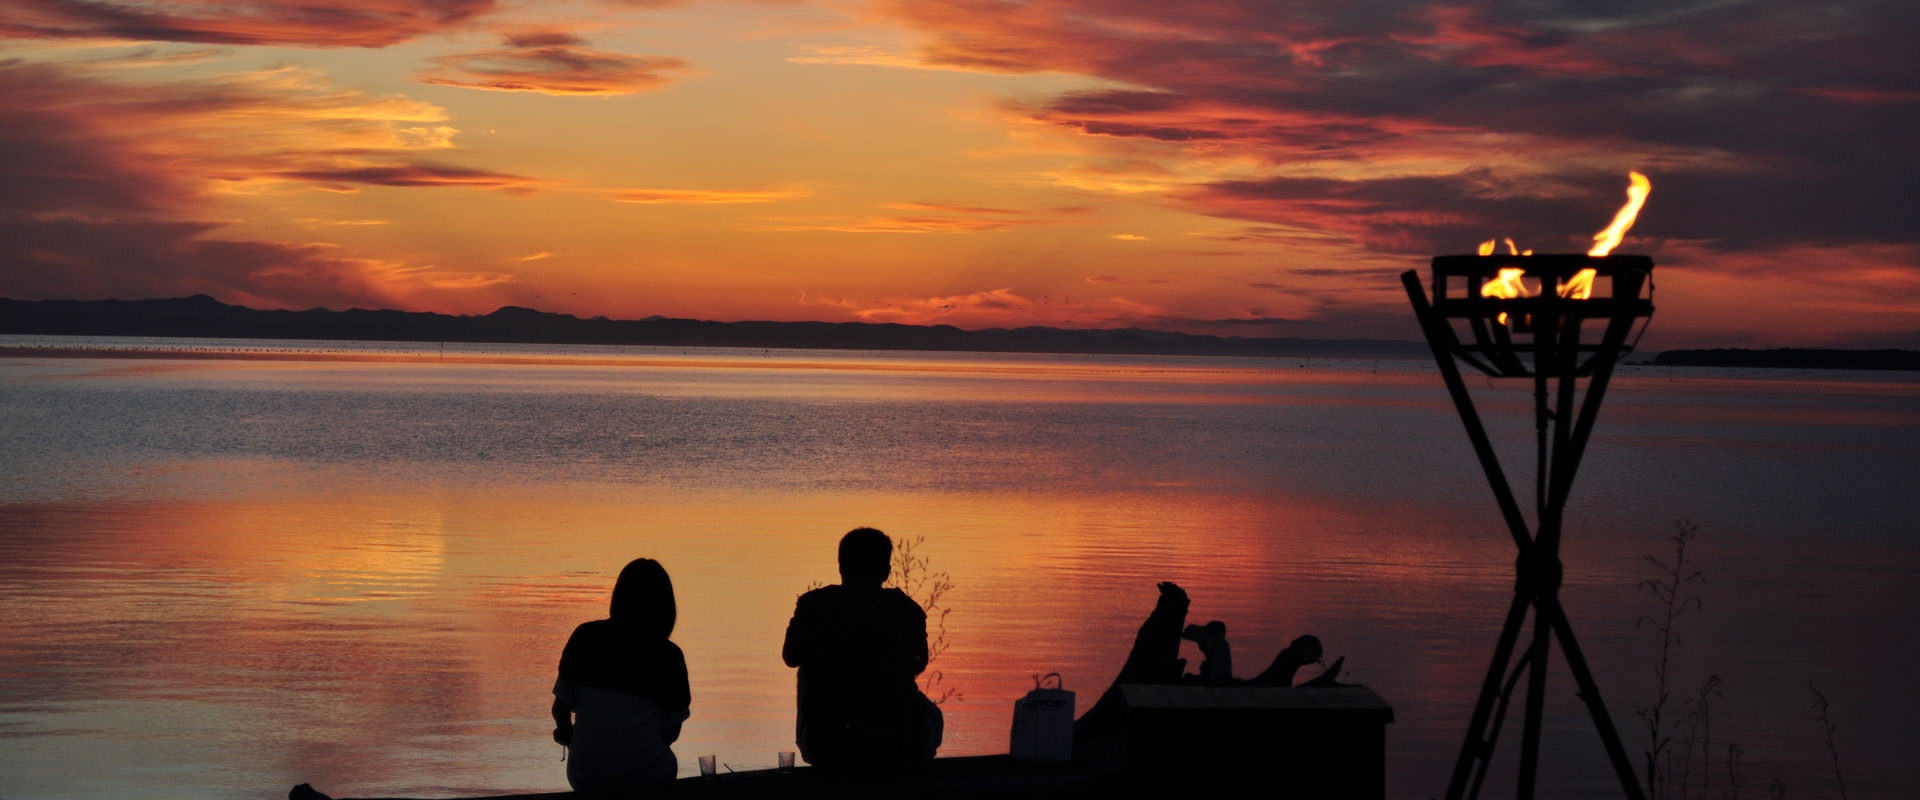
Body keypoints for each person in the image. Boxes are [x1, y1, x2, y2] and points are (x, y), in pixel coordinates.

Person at [1073, 582, 1335, 758]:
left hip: (1215, 688)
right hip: (1182, 687)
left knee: (1232, 672)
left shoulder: (1222, 655)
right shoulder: (1171, 651)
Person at [782, 527, 942, 773]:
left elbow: (790, 657)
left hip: (825, 743)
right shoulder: (906, 610)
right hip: (897, 744)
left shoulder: (814, 605)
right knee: (931, 714)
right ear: (886, 572)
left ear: (841, 567)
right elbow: (918, 663)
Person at [552, 558, 691, 797]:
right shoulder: (669, 656)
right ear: (664, 607)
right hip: (648, 779)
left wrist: (568, 734)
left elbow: (560, 710)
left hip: (585, 777)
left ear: (618, 597)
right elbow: (671, 732)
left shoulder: (585, 637)